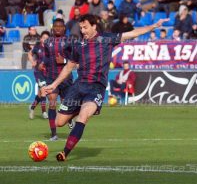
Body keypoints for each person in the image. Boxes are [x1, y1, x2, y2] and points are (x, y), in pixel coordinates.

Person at [42, 14, 169, 161]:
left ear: (94, 26)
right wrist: (53, 84)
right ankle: (80, 108)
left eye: (85, 27)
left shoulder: (106, 40)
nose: (82, 31)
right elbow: (69, 67)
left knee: (83, 116)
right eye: (81, 28)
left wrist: (153, 26)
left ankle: (64, 153)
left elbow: (132, 33)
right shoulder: (78, 45)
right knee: (59, 122)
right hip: (78, 86)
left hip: (96, 88)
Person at [40, 19, 74, 141]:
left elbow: (75, 60)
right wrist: (43, 63)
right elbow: (47, 57)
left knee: (66, 104)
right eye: (56, 26)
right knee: (52, 102)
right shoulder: (48, 41)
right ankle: (54, 134)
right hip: (52, 77)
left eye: (60, 26)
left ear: (64, 28)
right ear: (53, 27)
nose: (58, 28)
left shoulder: (70, 41)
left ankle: (69, 119)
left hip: (66, 78)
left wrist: (64, 61)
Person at [28, 31, 50, 119]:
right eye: (44, 38)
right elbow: (29, 53)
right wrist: (32, 61)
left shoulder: (50, 48)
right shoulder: (37, 47)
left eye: (47, 38)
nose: (45, 39)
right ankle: (44, 112)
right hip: (38, 72)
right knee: (43, 90)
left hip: (48, 73)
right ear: (41, 39)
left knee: (40, 93)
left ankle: (32, 108)